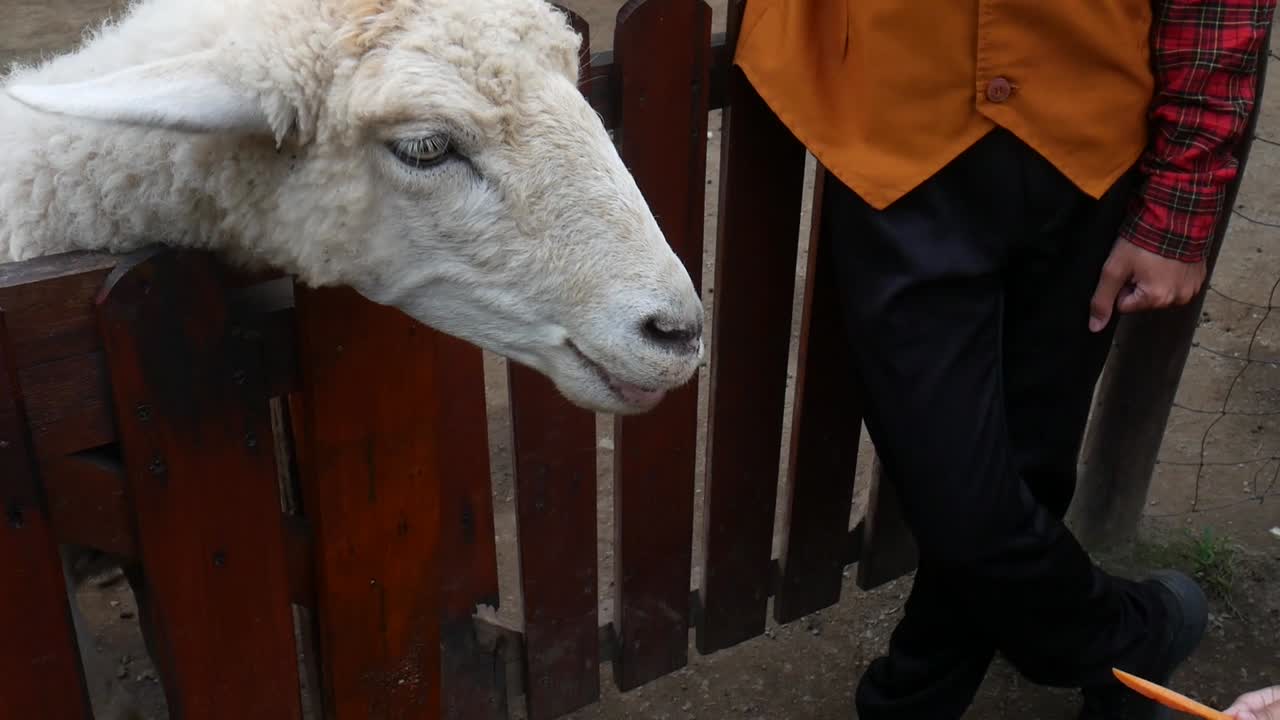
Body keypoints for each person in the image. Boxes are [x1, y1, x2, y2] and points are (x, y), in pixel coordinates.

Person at [731, 1, 1276, 719]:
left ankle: (911, 698)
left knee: (1030, 466)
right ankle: (1132, 633)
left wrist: (1179, 201)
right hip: (898, 121)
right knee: (960, 495)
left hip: (1088, 129)